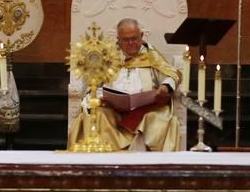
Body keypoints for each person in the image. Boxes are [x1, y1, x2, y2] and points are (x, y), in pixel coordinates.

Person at [67, 18, 180, 152]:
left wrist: (166, 86)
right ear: (118, 39)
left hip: (145, 109)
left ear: (142, 36)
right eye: (126, 40)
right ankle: (111, 159)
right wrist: (100, 97)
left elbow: (172, 75)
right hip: (113, 110)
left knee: (157, 118)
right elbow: (95, 85)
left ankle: (146, 162)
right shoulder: (109, 56)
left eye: (135, 38)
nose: (131, 43)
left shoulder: (151, 56)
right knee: (98, 116)